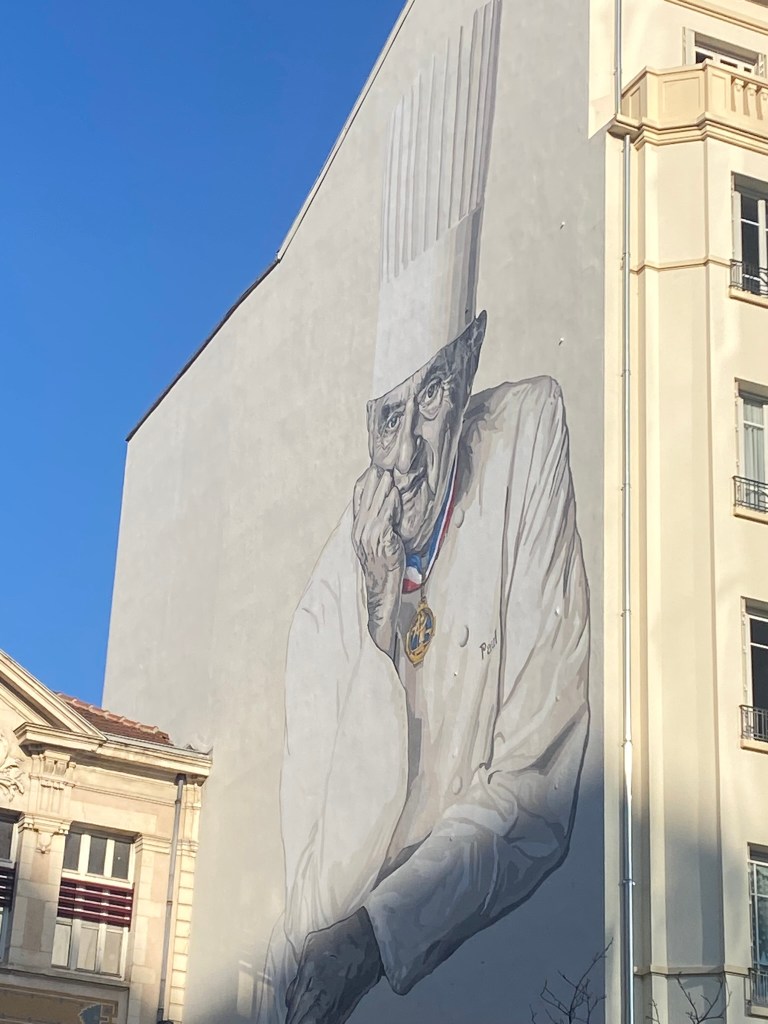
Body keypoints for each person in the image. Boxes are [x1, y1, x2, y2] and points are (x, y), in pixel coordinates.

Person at [255, 5, 590, 1022]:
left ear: (471, 363)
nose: (404, 450)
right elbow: (321, 897)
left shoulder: (526, 431)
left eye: (435, 394)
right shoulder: (325, 605)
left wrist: (382, 928)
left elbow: (539, 786)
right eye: (385, 416)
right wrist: (375, 630)